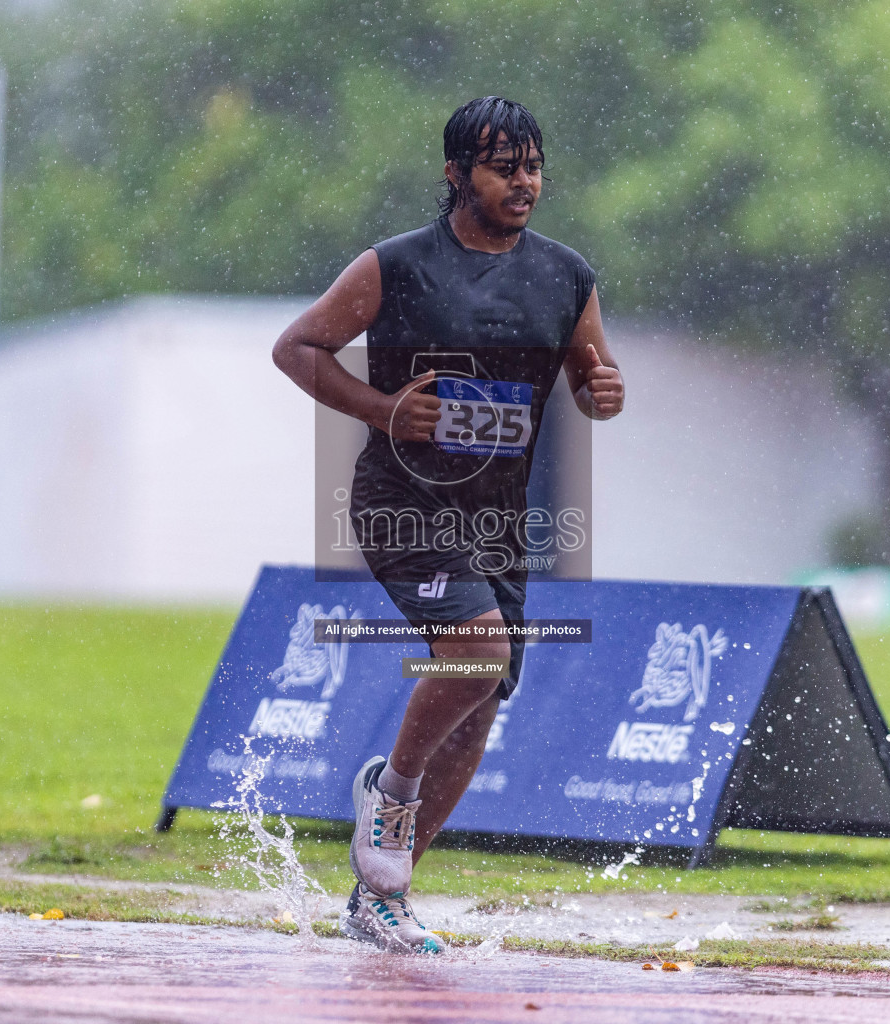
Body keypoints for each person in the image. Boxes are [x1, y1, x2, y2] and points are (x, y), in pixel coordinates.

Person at [272, 96, 624, 954]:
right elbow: (297, 349)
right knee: (480, 652)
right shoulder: (395, 267)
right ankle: (389, 793)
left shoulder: (567, 276)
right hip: (402, 501)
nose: (525, 181)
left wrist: (602, 391)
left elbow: (590, 371)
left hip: (499, 519)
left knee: (482, 704)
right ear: (456, 173)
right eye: (505, 166)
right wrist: (385, 408)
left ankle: (380, 898)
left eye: (534, 165)